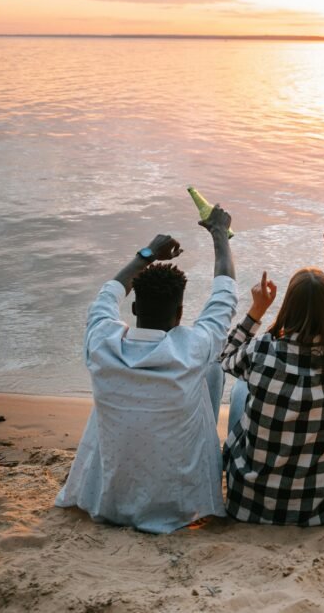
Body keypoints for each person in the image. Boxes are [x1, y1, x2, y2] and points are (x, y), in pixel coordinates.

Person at [56, 206, 237, 533]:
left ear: (135, 308)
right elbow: (224, 295)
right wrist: (219, 233)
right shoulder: (193, 348)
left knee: (110, 386)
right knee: (211, 371)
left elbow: (107, 295)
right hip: (179, 507)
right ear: (181, 313)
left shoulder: (102, 343)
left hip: (110, 502)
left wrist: (147, 254)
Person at [220, 219, 324, 525]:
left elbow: (226, 357)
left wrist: (256, 311)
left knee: (240, 390)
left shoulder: (261, 351)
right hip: (318, 510)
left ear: (288, 308)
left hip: (247, 503)